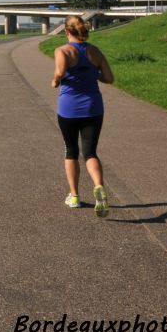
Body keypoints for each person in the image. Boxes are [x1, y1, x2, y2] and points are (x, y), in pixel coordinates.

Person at [51, 15, 115, 217]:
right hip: (94, 108)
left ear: (67, 31)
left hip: (68, 109)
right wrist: (91, 74)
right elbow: (109, 78)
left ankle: (75, 196)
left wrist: (54, 81)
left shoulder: (62, 51)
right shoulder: (94, 51)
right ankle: (98, 186)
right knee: (90, 152)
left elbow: (60, 72)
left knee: (71, 151)